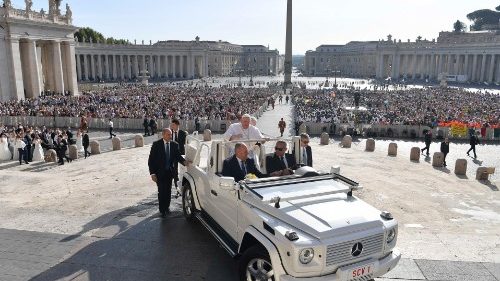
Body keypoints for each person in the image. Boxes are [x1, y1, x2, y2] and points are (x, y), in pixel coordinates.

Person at [148, 128, 187, 218]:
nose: (170, 136)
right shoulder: (156, 145)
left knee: (168, 191)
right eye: (168, 135)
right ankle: (162, 210)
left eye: (170, 135)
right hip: (159, 173)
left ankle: (167, 207)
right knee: (161, 191)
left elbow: (178, 156)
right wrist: (152, 173)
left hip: (169, 172)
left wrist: (185, 162)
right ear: (163, 135)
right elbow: (151, 160)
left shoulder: (174, 145)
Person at [170, 119, 188, 189]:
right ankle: (177, 187)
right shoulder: (170, 133)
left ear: (177, 125)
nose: (172, 126)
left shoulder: (183, 133)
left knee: (184, 170)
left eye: (173, 125)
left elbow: (187, 144)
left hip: (181, 155)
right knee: (174, 171)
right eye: (171, 125)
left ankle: (184, 185)